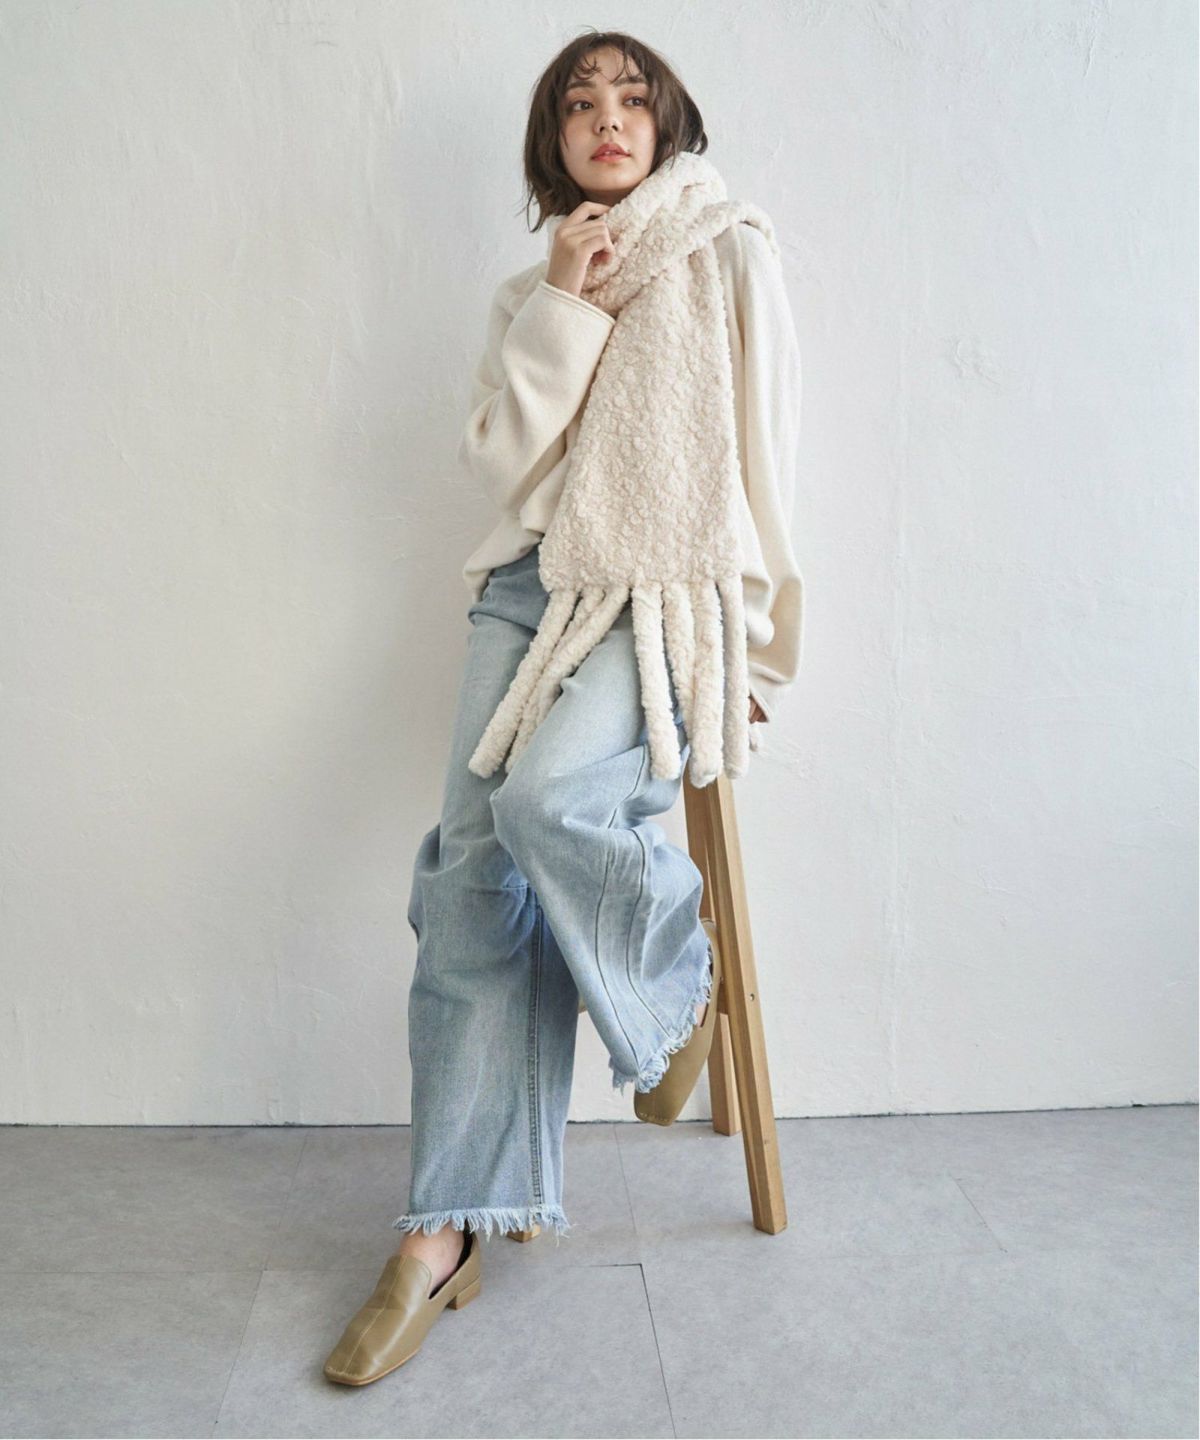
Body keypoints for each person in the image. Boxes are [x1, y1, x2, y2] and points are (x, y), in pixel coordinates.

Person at [323, 28, 804, 1387]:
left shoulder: (730, 252)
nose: (608, 117)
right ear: (554, 140)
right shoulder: (531, 288)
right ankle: (444, 1231)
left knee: (548, 800)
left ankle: (673, 989)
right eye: (580, 102)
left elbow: (768, 458)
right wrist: (564, 303)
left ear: (667, 122)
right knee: (467, 878)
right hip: (526, 593)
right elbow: (500, 463)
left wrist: (756, 652)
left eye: (631, 97)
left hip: (663, 601)